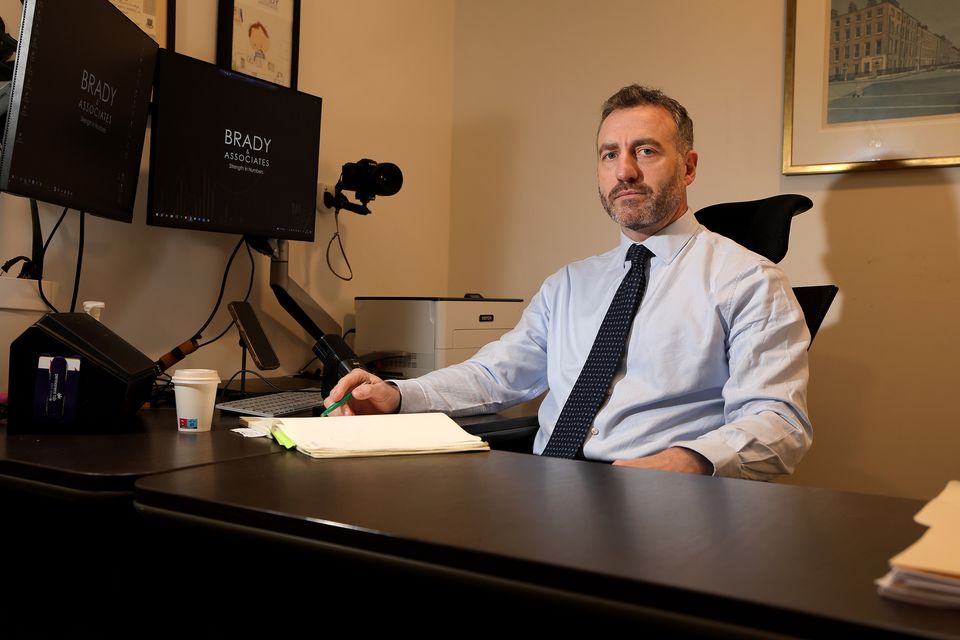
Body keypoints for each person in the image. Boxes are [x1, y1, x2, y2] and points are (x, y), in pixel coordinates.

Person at [325, 85, 812, 480]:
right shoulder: (569, 284)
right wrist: (399, 394)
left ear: (688, 167)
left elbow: (779, 423)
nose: (624, 171)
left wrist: (687, 462)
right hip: (546, 494)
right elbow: (498, 374)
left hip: (659, 501)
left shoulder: (748, 281)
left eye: (646, 151)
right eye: (608, 155)